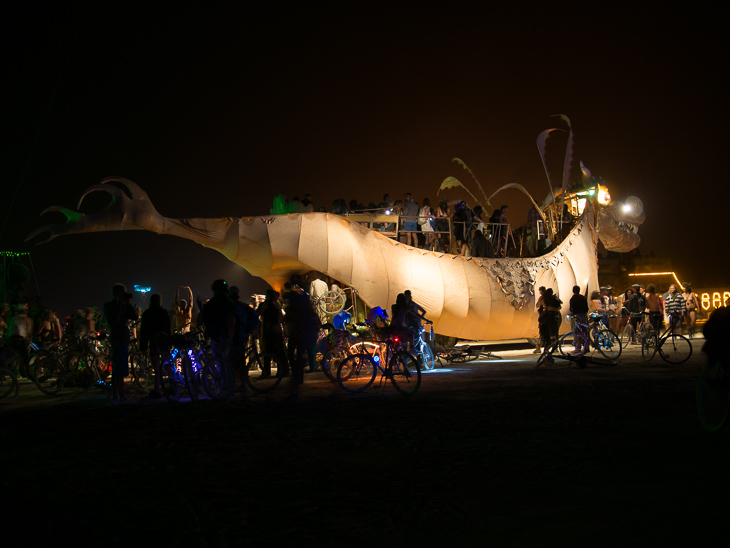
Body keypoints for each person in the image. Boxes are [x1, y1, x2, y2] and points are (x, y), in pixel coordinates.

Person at [283, 283, 321, 401]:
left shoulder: (297, 310)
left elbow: (287, 320)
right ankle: (297, 382)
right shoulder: (308, 310)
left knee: (295, 358)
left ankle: (295, 389)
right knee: (300, 357)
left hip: (299, 335)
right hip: (305, 336)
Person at [103, 283, 138, 404]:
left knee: (120, 369)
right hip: (117, 338)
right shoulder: (109, 306)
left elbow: (135, 316)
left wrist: (127, 304)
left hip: (124, 339)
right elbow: (114, 320)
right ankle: (120, 395)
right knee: (119, 369)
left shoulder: (124, 306)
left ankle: (116, 395)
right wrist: (118, 304)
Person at [228, 285, 260, 392]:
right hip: (242, 336)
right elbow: (255, 319)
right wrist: (248, 331)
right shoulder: (244, 307)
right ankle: (242, 383)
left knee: (232, 362)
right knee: (241, 361)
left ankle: (233, 385)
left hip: (233, 337)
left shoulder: (230, 307)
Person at [139, 293, 171, 398]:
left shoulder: (147, 314)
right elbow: (168, 328)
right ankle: (171, 385)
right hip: (164, 341)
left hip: (153, 342)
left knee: (156, 367)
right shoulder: (164, 313)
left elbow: (144, 331)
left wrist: (142, 347)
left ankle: (157, 388)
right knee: (167, 363)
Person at [202, 279, 237, 365]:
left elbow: (207, 318)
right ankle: (229, 377)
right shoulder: (228, 302)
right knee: (227, 359)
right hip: (228, 335)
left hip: (216, 335)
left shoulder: (213, 303)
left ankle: (223, 377)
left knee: (219, 360)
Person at [569, 285, 589, 357]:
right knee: (584, 330)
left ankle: (578, 347)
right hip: (583, 315)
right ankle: (586, 346)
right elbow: (586, 307)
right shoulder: (583, 297)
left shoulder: (573, 298)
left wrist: (572, 314)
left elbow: (571, 308)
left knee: (577, 331)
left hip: (577, 315)